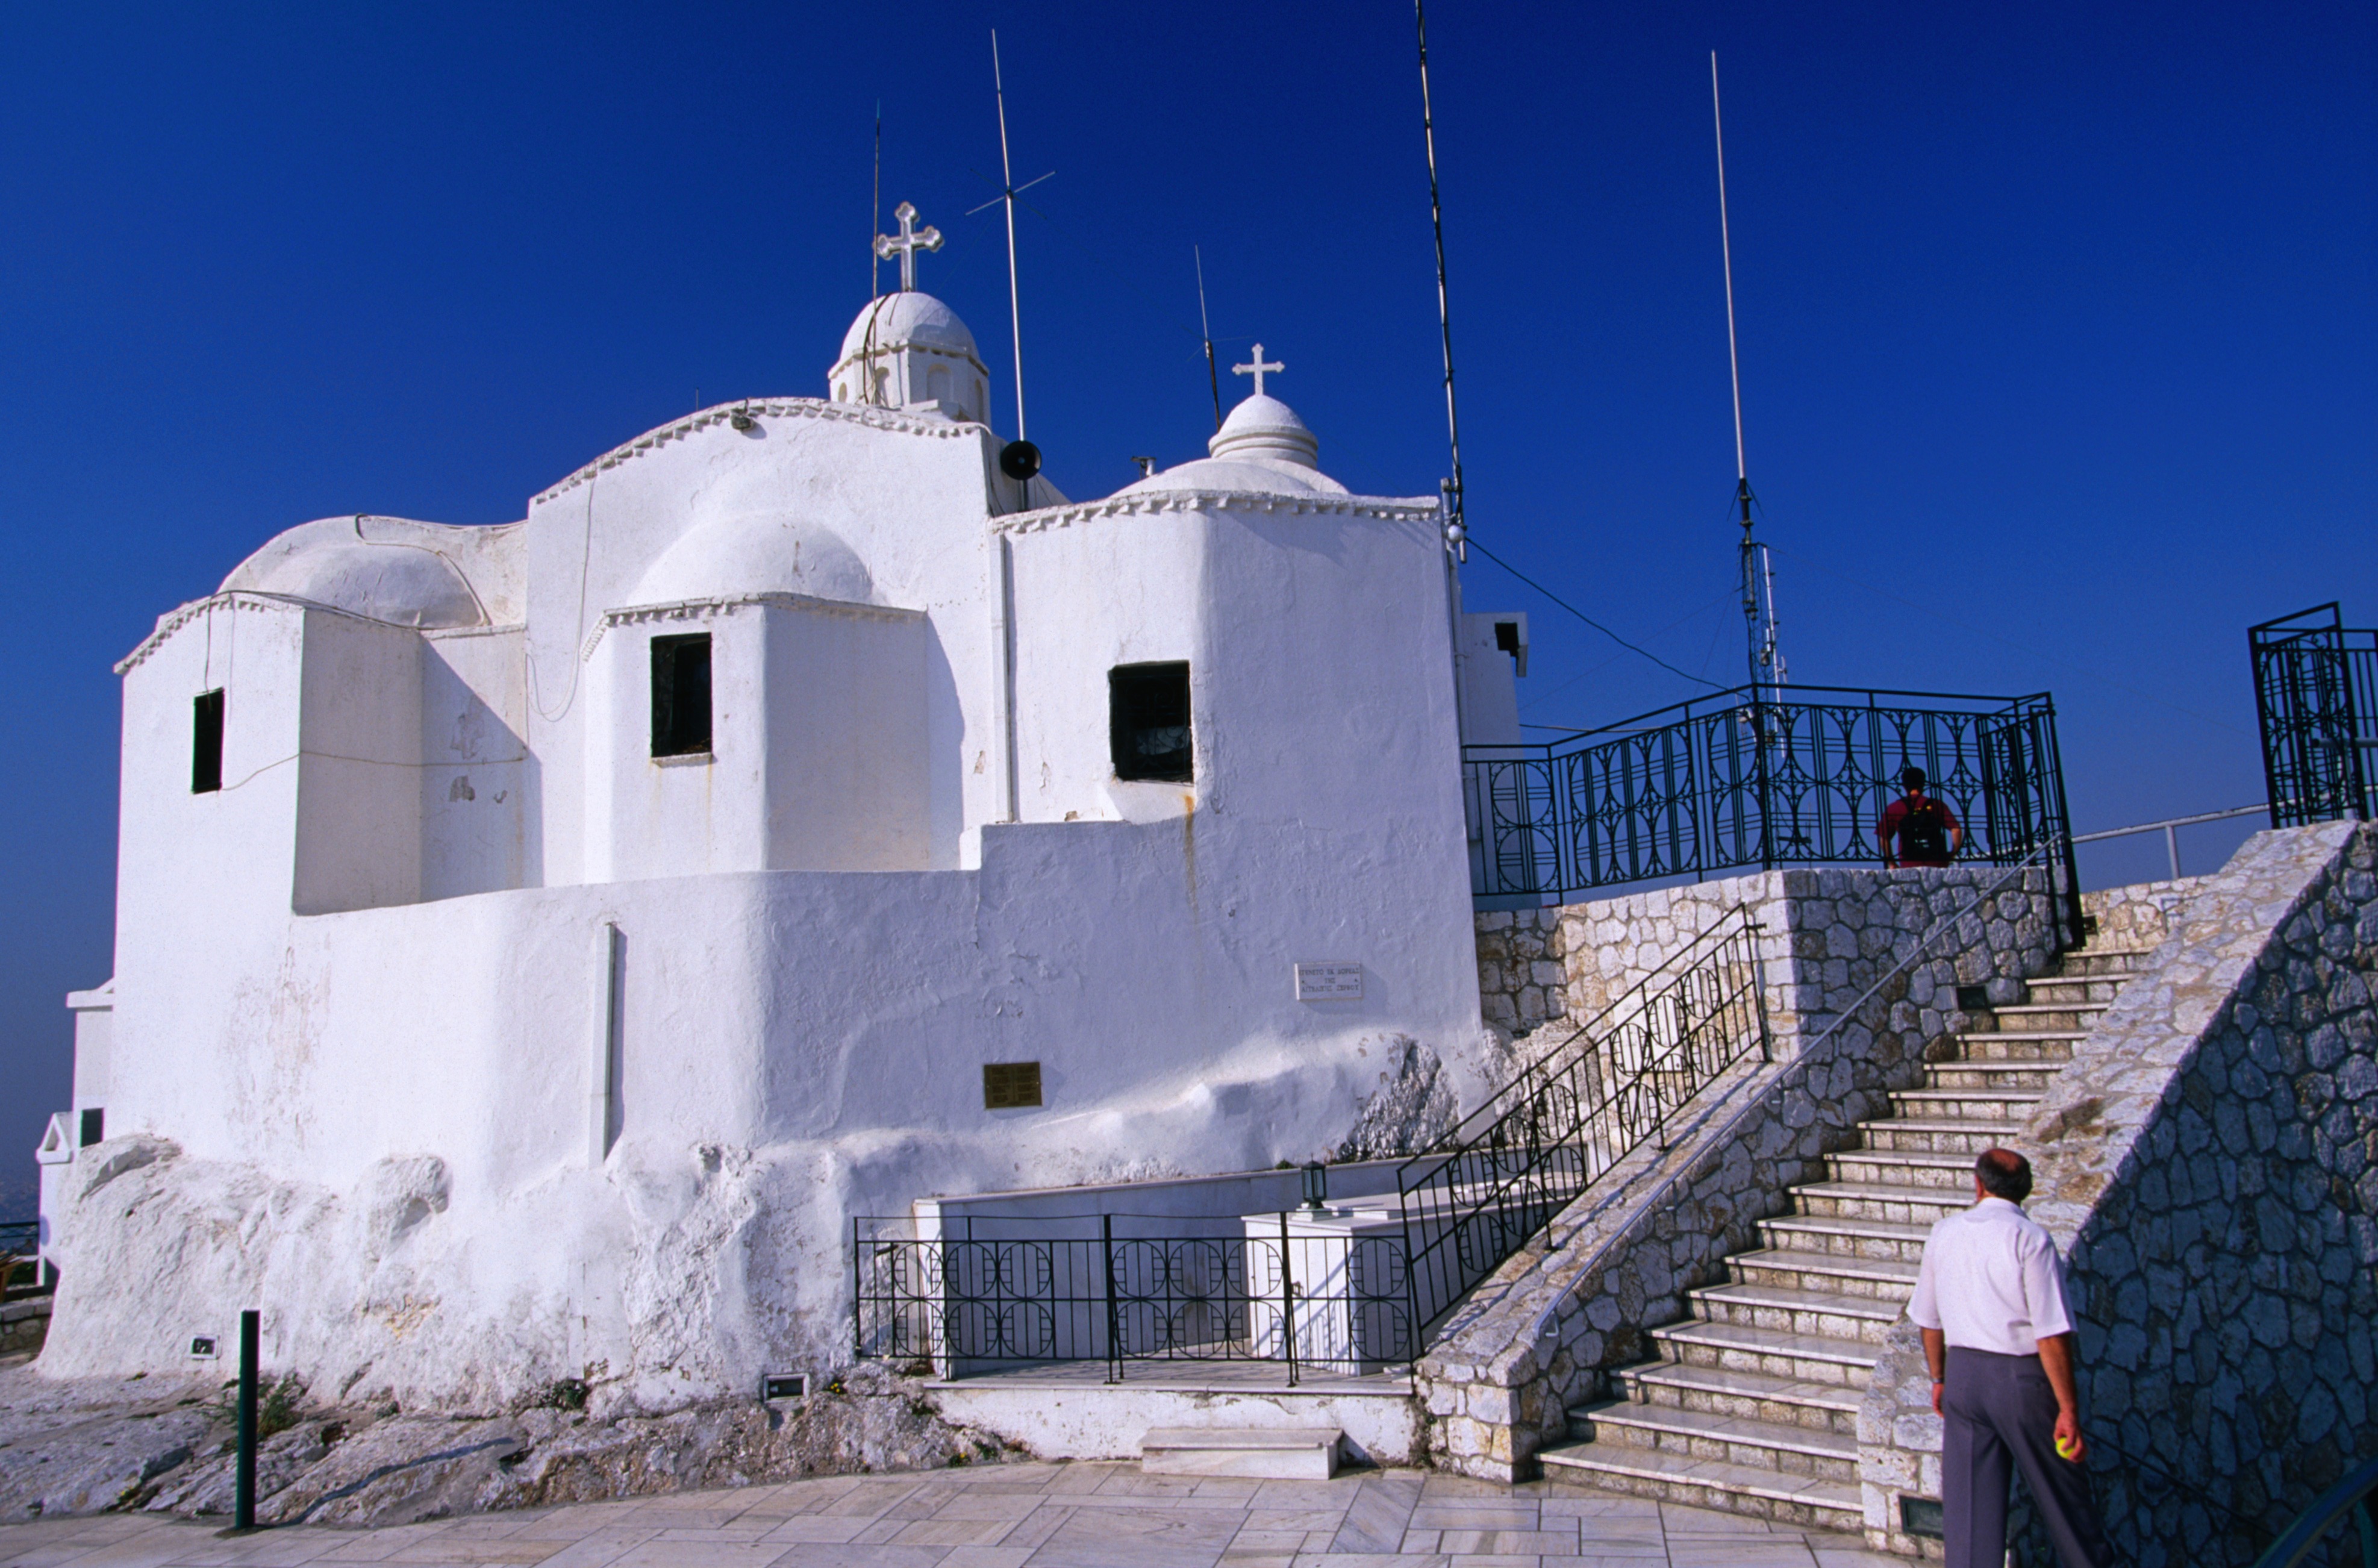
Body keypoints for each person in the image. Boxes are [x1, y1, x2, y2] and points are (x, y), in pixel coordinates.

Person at [1909, 1148, 2112, 1568]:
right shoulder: (2030, 1239)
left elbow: (1929, 1319)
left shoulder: (1944, 1232)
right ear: (2027, 1190)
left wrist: (1939, 1379)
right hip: (2021, 1381)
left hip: (1963, 1377)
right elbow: (2051, 1333)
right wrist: (2069, 1410)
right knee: (2064, 1501)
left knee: (1969, 1515)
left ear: (1978, 1183)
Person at [1879, 764, 1962, 867]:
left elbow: (1884, 838)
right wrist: (1952, 855)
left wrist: (1891, 863)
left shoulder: (1894, 808)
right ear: (1923, 784)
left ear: (1904, 785)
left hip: (1909, 864)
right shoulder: (1936, 804)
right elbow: (1956, 829)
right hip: (1938, 863)